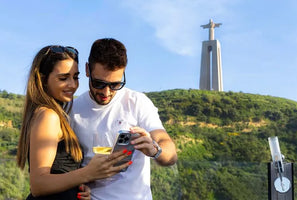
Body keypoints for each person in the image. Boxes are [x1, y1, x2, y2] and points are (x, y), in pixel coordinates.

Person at [16, 45, 132, 200]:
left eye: (75, 77)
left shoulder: (55, 114)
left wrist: (77, 184)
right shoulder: (48, 116)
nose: (73, 85)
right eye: (63, 78)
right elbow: (38, 185)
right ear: (43, 79)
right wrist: (86, 174)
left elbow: (57, 175)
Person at [70, 38, 178, 200]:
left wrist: (154, 149)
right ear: (87, 70)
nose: (106, 92)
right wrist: (78, 186)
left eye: (115, 85)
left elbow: (171, 155)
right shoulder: (72, 110)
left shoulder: (137, 102)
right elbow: (66, 168)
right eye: (99, 83)